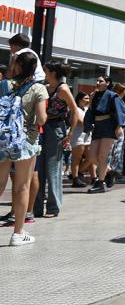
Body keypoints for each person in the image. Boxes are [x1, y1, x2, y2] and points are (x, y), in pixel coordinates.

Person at [0, 52, 47, 245]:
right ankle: (18, 234)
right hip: (26, 142)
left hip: (3, 139)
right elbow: (42, 118)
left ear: (17, 65)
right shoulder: (39, 89)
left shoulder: (4, 85)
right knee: (22, 187)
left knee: (0, 184)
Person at [34, 62, 78, 218]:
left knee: (53, 169)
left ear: (52, 72)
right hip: (42, 128)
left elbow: (74, 111)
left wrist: (70, 133)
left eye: (45, 70)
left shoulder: (63, 89)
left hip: (56, 128)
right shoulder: (45, 87)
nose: (43, 72)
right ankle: (36, 207)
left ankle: (53, 208)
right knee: (38, 169)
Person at [84, 75, 125, 193]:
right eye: (97, 80)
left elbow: (121, 111)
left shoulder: (113, 95)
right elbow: (90, 111)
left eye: (101, 81)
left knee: (103, 156)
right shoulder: (94, 95)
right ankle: (110, 172)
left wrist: (119, 126)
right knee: (92, 156)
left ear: (107, 83)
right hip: (97, 127)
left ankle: (100, 182)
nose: (97, 82)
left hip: (108, 127)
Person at [68, 92, 92, 187]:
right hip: (78, 137)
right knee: (76, 159)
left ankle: (76, 174)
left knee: (91, 158)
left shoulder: (86, 109)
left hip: (87, 137)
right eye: (86, 98)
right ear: (79, 100)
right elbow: (80, 122)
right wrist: (91, 126)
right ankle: (75, 178)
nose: (88, 100)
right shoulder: (75, 109)